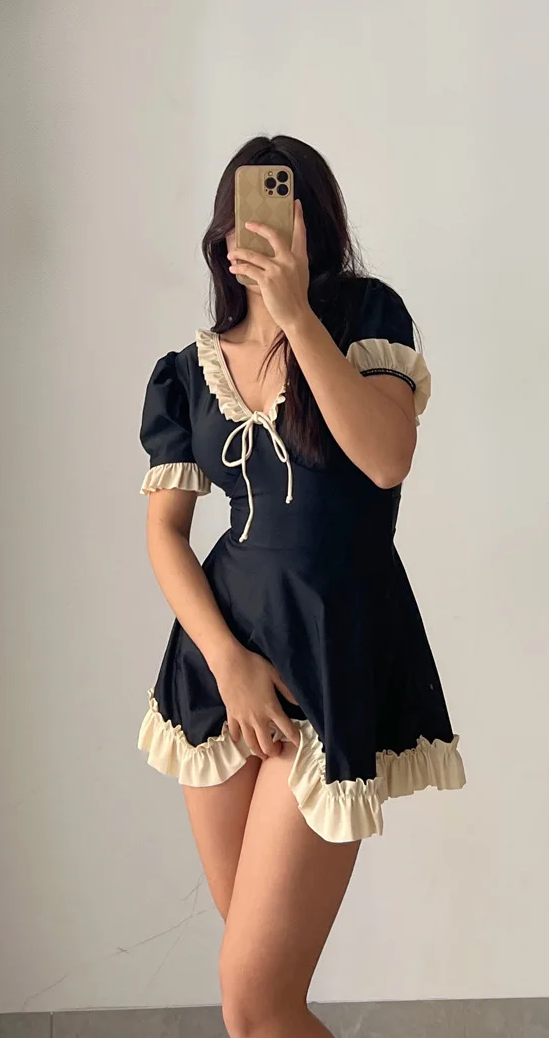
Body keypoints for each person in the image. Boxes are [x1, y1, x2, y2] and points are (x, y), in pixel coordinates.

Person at [137, 135, 465, 1038]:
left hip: (327, 658)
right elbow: (166, 536)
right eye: (248, 214)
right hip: (218, 671)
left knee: (255, 998)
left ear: (314, 223)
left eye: (286, 210)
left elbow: (387, 459)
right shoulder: (187, 372)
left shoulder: (366, 319)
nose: (267, 230)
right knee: (252, 993)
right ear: (223, 233)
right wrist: (227, 662)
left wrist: (296, 316)